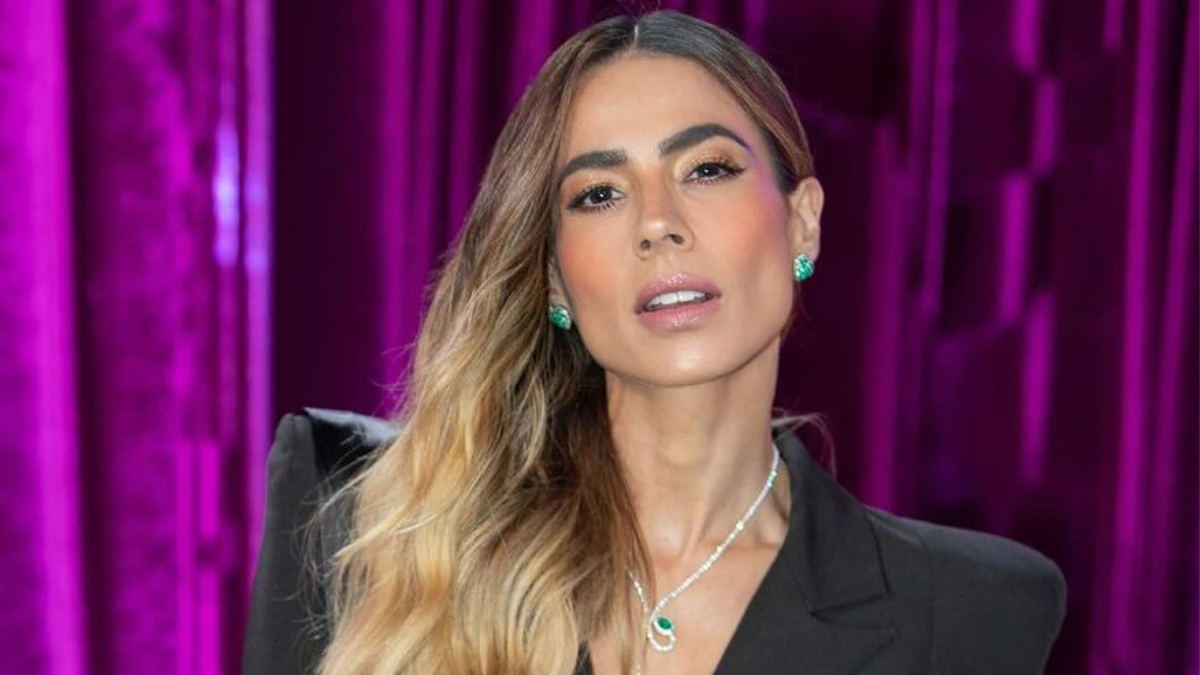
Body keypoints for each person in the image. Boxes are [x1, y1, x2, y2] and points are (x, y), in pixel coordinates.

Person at [243, 9, 1067, 675]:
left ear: (802, 222)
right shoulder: (361, 524)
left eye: (706, 169)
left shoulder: (972, 609)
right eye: (599, 193)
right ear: (556, 280)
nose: (658, 224)